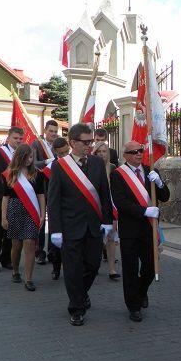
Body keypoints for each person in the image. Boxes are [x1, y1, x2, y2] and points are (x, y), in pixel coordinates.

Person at [47, 123, 113, 326]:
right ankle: (76, 307)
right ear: (73, 142)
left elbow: (104, 194)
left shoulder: (96, 163)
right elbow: (54, 199)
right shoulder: (59, 166)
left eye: (91, 141)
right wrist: (56, 230)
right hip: (70, 227)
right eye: (86, 142)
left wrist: (108, 222)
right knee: (73, 269)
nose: (89, 145)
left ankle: (81, 293)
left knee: (93, 265)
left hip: (93, 226)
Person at [111, 141, 171, 321]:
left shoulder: (150, 171)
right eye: (134, 152)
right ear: (126, 155)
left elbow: (165, 197)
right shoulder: (118, 175)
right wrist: (143, 210)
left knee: (151, 267)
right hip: (130, 229)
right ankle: (133, 306)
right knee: (130, 268)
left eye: (141, 151)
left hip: (149, 228)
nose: (139, 154)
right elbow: (120, 202)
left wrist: (160, 184)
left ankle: (141, 291)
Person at [1, 144, 46, 291]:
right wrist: (3, 217)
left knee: (30, 243)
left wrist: (42, 214)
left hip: (31, 211)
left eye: (31, 157)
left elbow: (41, 196)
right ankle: (15, 270)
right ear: (20, 157)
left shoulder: (37, 174)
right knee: (16, 245)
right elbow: (5, 198)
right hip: (15, 209)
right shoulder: (11, 174)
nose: (29, 160)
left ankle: (28, 279)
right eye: (26, 157)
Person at [0, 127, 24, 272]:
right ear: (8, 138)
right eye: (15, 138)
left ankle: (6, 258)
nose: (18, 141)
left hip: (15, 198)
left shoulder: (22, 154)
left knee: (11, 229)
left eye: (20, 139)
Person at [32, 119, 59, 265]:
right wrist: (46, 162)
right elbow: (32, 163)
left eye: (55, 131)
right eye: (51, 131)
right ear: (45, 130)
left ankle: (52, 251)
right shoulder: (36, 144)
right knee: (41, 220)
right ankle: (39, 251)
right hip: (41, 188)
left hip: (55, 188)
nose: (54, 134)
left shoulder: (58, 145)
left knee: (54, 219)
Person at [93, 141, 121, 281]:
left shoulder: (113, 168)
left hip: (110, 207)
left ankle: (111, 269)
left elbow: (116, 192)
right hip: (95, 207)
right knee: (96, 238)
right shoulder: (90, 167)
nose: (102, 154)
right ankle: (94, 265)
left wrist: (116, 214)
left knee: (110, 237)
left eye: (104, 151)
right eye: (99, 151)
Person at [44, 137, 70, 280]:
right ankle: (55, 266)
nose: (65, 156)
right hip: (57, 207)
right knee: (56, 240)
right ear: (55, 153)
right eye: (61, 154)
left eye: (67, 152)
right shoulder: (52, 167)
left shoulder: (75, 163)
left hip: (71, 208)